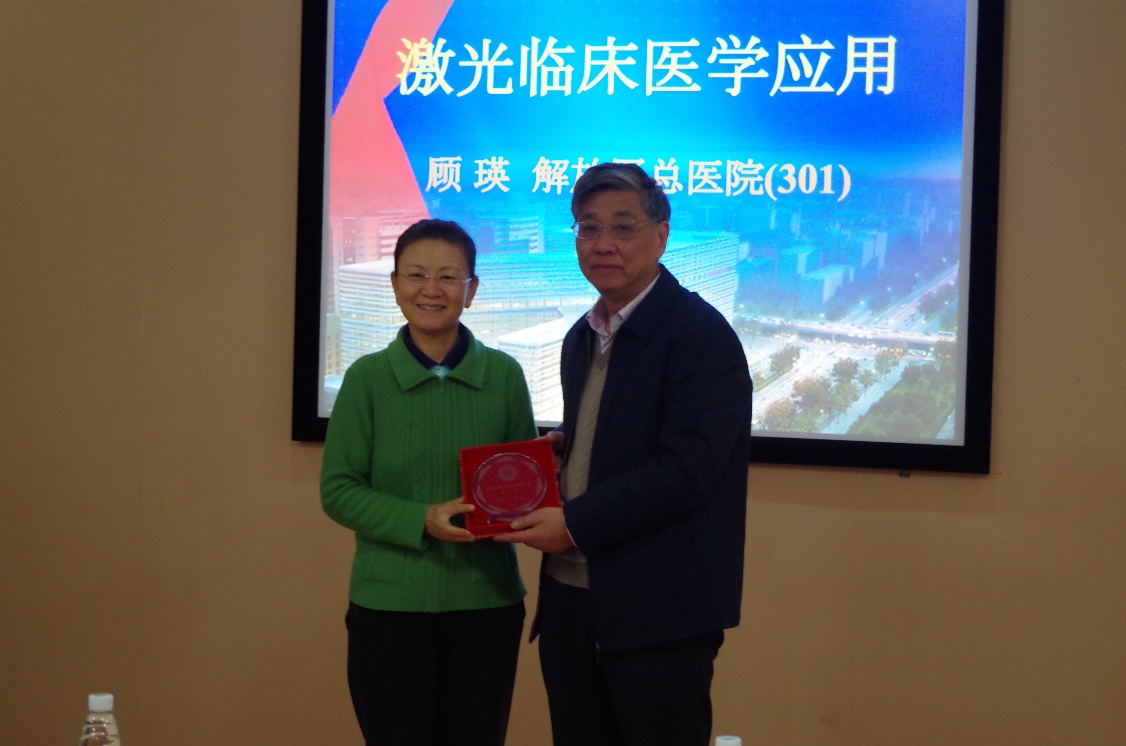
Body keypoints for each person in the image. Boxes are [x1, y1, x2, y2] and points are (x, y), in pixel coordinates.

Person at [494, 163, 752, 746]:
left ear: (660, 236)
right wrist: (567, 446)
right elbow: (622, 427)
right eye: (588, 227)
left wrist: (574, 523)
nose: (603, 243)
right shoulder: (581, 336)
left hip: (659, 612)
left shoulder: (700, 335)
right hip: (570, 600)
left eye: (622, 227)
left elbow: (687, 470)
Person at [321, 218, 537, 746]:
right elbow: (339, 490)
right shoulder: (366, 378)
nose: (431, 290)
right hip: (389, 610)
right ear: (396, 284)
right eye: (416, 275)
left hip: (487, 606)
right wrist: (422, 519)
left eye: (448, 277)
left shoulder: (505, 375)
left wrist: (540, 484)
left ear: (472, 289)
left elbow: (522, 483)